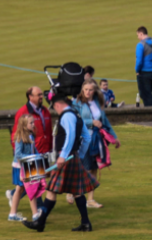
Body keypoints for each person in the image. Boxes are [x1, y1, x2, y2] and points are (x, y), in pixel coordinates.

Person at [22, 94, 98, 233]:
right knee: (76, 192)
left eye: (54, 108)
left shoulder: (67, 116)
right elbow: (86, 137)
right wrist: (78, 155)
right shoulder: (77, 114)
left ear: (57, 105)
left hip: (66, 158)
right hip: (72, 157)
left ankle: (40, 222)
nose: (55, 111)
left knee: (52, 191)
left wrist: (63, 156)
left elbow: (70, 136)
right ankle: (86, 223)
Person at [74, 80, 117, 210]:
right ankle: (74, 192)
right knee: (84, 168)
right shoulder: (77, 103)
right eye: (85, 89)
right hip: (83, 139)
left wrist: (114, 137)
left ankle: (90, 199)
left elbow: (104, 120)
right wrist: (91, 122)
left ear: (94, 90)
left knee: (93, 167)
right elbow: (76, 120)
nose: (87, 92)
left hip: (96, 139)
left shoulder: (97, 102)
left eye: (90, 90)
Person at [8, 115, 41, 222]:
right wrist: (30, 158)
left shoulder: (31, 135)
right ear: (24, 125)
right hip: (20, 167)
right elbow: (18, 154)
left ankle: (13, 214)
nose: (33, 125)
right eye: (31, 123)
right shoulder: (20, 137)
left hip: (29, 165)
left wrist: (39, 156)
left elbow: (34, 150)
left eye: (33, 122)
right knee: (27, 189)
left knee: (22, 189)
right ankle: (35, 214)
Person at [12, 86, 54, 156]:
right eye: (39, 95)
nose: (41, 97)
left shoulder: (46, 111)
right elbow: (16, 134)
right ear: (30, 97)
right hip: (32, 156)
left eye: (41, 94)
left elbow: (49, 132)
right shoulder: (22, 112)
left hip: (46, 153)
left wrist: (50, 149)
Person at [135, 26, 152, 107]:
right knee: (148, 93)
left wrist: (137, 70)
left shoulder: (140, 45)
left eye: (138, 35)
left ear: (141, 34)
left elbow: (139, 61)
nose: (138, 37)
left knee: (146, 95)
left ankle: (150, 115)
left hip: (144, 73)